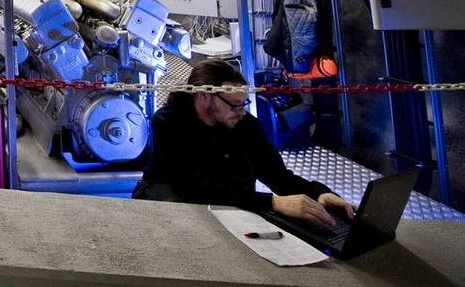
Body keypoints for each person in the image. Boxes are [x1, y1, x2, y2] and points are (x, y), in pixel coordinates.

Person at [132, 59, 355, 228]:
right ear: (204, 96)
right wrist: (273, 203)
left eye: (243, 104)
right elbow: (196, 189)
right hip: (178, 199)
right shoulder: (169, 122)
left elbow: (278, 176)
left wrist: (318, 194)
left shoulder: (246, 126)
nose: (241, 112)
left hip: (234, 202)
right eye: (234, 105)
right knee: (177, 213)